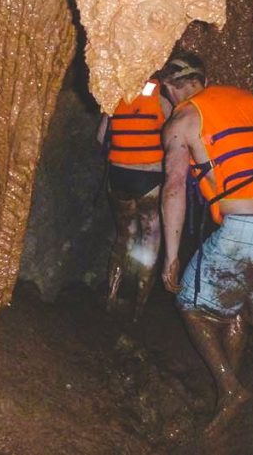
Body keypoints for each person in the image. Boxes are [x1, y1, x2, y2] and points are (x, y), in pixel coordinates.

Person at [157, 52, 253, 436]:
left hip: (245, 232)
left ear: (169, 87)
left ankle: (231, 389)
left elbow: (173, 190)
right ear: (203, 78)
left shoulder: (182, 120)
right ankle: (225, 403)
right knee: (235, 310)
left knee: (190, 306)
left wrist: (171, 256)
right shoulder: (248, 100)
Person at [96, 75, 170, 321]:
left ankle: (112, 296)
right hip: (149, 178)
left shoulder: (115, 95)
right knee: (150, 240)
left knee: (124, 236)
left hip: (119, 177)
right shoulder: (160, 99)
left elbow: (100, 138)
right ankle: (138, 309)